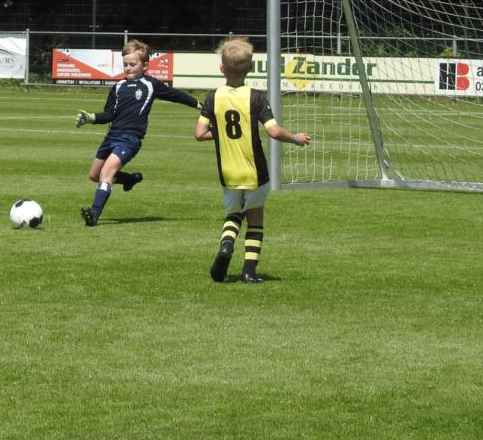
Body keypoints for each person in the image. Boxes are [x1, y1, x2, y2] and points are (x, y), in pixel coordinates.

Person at [194, 37, 310, 283]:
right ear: (250, 69)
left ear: (221, 68)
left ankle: (226, 246)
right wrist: (296, 138)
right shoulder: (256, 97)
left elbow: (199, 134)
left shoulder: (212, 97)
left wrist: (221, 132)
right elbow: (273, 131)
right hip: (255, 172)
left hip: (228, 172)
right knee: (255, 217)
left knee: (234, 214)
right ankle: (249, 271)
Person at [75, 38, 200, 226]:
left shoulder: (151, 84)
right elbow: (109, 114)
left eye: (132, 64)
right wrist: (91, 118)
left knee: (107, 172)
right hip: (111, 137)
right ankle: (130, 179)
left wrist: (199, 105)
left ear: (145, 66)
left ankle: (93, 214)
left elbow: (176, 96)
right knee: (95, 175)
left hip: (130, 139)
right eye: (125, 64)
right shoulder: (118, 87)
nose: (128, 68)